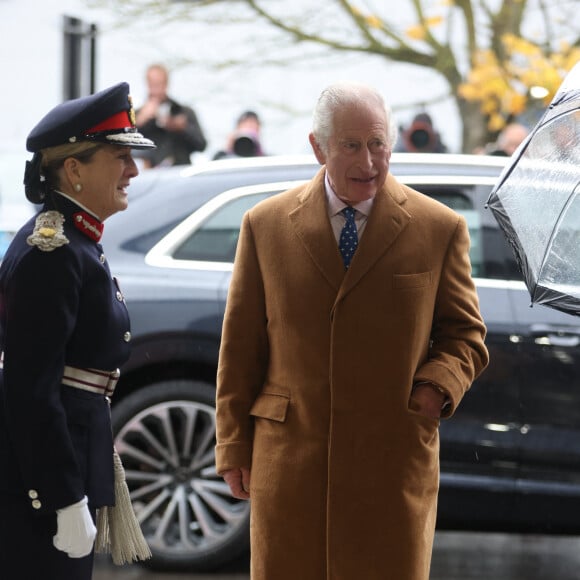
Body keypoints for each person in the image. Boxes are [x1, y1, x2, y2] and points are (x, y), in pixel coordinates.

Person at [215, 81, 489, 580]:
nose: (369, 161)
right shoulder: (266, 225)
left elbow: (465, 336)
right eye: (351, 145)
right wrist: (232, 444)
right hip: (290, 462)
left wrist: (432, 391)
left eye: (379, 143)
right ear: (318, 146)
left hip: (391, 459)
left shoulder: (438, 227)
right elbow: (241, 349)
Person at [0, 82, 155, 579]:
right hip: (42, 475)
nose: (133, 170)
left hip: (70, 449)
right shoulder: (54, 251)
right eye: (119, 156)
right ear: (74, 168)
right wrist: (63, 497)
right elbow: (30, 389)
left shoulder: (78, 241)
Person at [135, 64, 207, 167]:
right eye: (153, 84)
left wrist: (183, 129)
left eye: (160, 84)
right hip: (149, 174)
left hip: (179, 171)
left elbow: (201, 145)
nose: (157, 89)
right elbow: (123, 146)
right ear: (147, 84)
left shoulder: (183, 112)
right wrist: (140, 120)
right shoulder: (136, 115)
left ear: (166, 83)